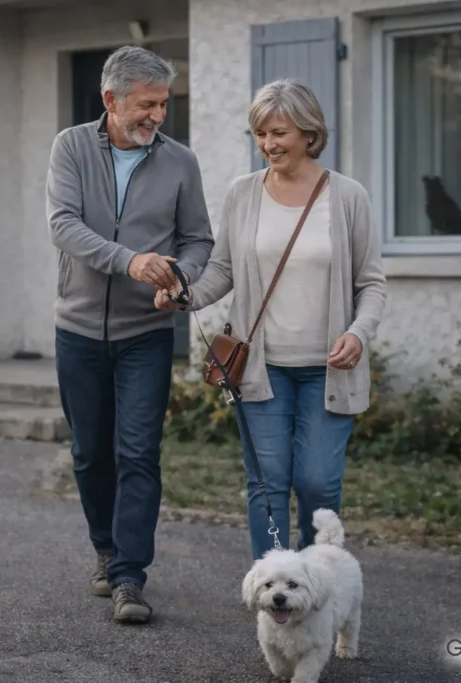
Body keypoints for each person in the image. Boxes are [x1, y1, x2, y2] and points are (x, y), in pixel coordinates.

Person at [155, 78, 386, 562]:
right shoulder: (243, 194)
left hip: (330, 369)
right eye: (260, 134)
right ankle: (276, 590)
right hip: (260, 368)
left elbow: (371, 284)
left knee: (318, 483)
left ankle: (315, 582)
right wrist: (186, 295)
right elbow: (222, 269)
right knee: (267, 483)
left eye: (278, 132)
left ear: (308, 132)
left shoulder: (348, 197)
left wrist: (358, 333)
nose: (269, 144)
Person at [46, 45, 215, 623]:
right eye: (146, 105)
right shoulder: (70, 147)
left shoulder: (180, 162)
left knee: (138, 452)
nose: (157, 116)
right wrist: (130, 260)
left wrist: (181, 277)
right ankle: (104, 548)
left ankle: (128, 577)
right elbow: (63, 225)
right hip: (78, 330)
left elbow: (197, 240)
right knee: (91, 454)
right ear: (111, 100)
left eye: (163, 105)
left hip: (147, 331)